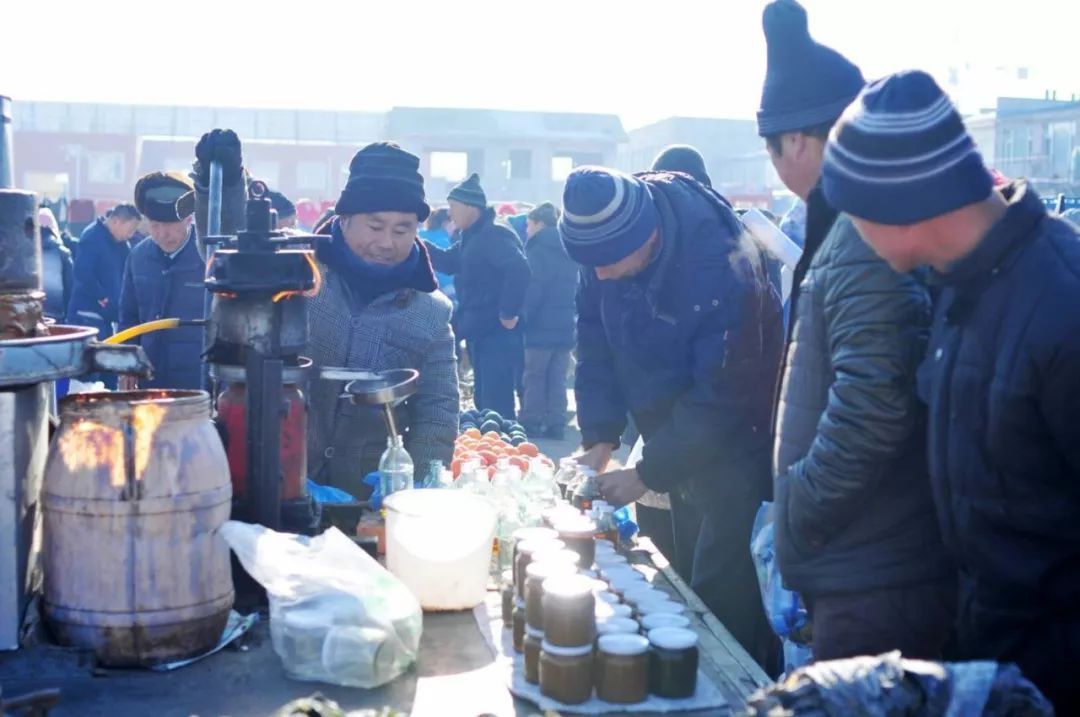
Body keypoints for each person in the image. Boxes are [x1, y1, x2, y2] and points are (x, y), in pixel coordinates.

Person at [822, 69, 1080, 713]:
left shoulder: (1062, 304)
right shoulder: (958, 288)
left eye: (854, 212)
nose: (851, 229)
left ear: (900, 205)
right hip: (984, 650)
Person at [759, 0, 955, 662]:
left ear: (799, 143)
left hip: (875, 565)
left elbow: (874, 400)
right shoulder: (843, 225)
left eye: (774, 151)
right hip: (857, 554)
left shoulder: (868, 237)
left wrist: (799, 512)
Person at [564, 166, 783, 665]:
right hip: (672, 429)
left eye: (608, 263)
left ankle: (735, 691)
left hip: (738, 438)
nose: (598, 275)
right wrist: (600, 436)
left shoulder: (722, 265)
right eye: (588, 266)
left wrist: (647, 472)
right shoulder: (602, 248)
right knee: (685, 580)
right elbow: (594, 342)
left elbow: (726, 389)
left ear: (650, 237)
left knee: (721, 592)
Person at [307, 142, 459, 497]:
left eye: (402, 230)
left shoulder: (430, 312)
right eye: (375, 226)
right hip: (283, 485)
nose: (387, 242)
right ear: (344, 220)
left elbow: (437, 412)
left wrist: (417, 489)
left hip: (368, 499)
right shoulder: (299, 279)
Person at [424, 173, 530, 419]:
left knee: (496, 400)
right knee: (484, 398)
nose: (450, 213)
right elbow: (450, 261)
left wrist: (508, 312)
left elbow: (519, 269)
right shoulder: (472, 235)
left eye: (453, 207)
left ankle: (504, 449)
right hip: (478, 328)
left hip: (496, 329)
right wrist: (416, 243)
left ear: (472, 208)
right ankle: (490, 448)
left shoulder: (494, 234)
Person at [118, 171, 205, 390]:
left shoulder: (207, 257)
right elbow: (129, 315)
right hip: (150, 375)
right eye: (155, 226)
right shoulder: (138, 257)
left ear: (188, 219)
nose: (162, 234)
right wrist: (127, 362)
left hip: (196, 378)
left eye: (170, 226)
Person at [66, 203, 141, 388]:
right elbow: (82, 272)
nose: (131, 235)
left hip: (108, 317)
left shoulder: (122, 244)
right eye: (130, 229)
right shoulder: (92, 237)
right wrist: (102, 297)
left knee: (108, 372)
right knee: (88, 373)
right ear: (116, 221)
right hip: (88, 315)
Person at [518, 202, 576, 439]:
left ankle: (531, 421)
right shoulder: (569, 247)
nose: (527, 230)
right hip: (564, 323)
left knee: (534, 375)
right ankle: (556, 423)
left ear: (539, 223)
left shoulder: (537, 249)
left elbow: (534, 288)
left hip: (540, 324)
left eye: (529, 224)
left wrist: (523, 316)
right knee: (557, 377)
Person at [37, 207, 73, 322]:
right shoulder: (63, 253)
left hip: (31, 313)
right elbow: (70, 287)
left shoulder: (25, 252)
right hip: (57, 314)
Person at [418, 207, 456, 305]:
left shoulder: (419, 234)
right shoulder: (443, 241)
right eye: (454, 222)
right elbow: (445, 275)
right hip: (440, 293)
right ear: (445, 223)